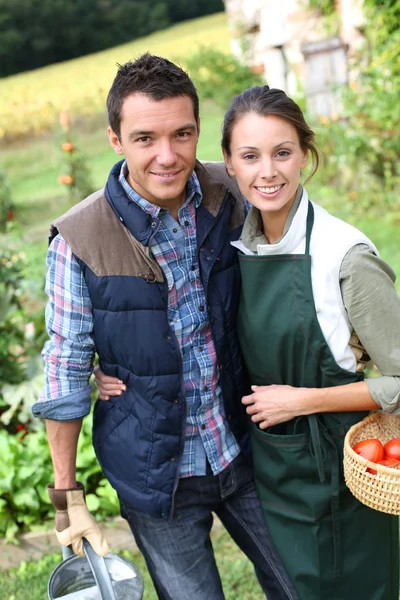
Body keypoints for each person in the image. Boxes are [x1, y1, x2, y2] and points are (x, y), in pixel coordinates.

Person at [98, 85, 400, 600]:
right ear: (228, 167)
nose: (268, 172)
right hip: (276, 475)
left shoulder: (345, 255)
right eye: (250, 156)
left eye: (283, 153)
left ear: (305, 154)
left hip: (339, 472)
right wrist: (108, 368)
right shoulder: (238, 242)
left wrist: (301, 400)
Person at [32, 54, 300, 600]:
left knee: (304, 587)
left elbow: (300, 264)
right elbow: (64, 367)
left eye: (182, 134)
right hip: (157, 475)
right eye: (145, 138)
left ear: (199, 130)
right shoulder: (79, 240)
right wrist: (69, 499)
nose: (168, 155)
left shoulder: (233, 193)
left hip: (245, 447)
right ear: (115, 139)